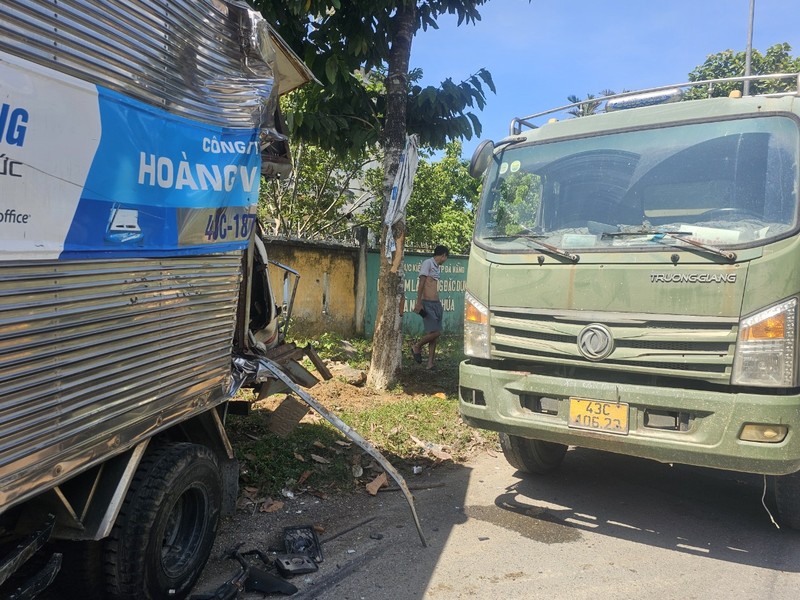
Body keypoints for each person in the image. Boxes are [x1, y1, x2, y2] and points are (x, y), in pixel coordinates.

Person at [411, 245, 449, 369]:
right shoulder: (428, 263)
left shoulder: (437, 267)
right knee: (436, 332)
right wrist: (418, 302)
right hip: (427, 303)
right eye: (446, 258)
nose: (445, 260)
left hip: (436, 304)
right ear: (443, 255)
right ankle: (417, 346)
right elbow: (422, 283)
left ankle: (430, 363)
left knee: (433, 334)